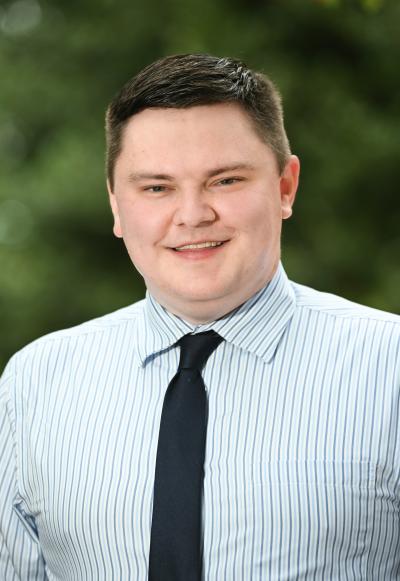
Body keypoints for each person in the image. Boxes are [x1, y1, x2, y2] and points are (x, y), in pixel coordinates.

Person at [0, 53, 399, 580]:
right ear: (117, 207)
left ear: (285, 187)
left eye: (225, 181)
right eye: (157, 187)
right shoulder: (32, 385)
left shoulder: (390, 368)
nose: (192, 215)